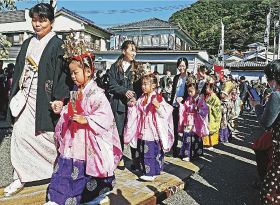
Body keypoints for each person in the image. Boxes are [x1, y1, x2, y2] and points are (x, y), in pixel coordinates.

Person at [4, 3, 70, 197]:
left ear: (51, 21)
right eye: (35, 20)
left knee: (48, 139)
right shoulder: (27, 43)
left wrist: (60, 98)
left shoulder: (57, 45)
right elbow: (18, 70)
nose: (38, 24)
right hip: (26, 96)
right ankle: (19, 176)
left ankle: (56, 171)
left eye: (43, 20)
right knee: (19, 136)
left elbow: (62, 75)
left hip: (45, 99)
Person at [45, 48, 122, 205]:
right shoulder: (75, 92)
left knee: (85, 173)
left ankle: (91, 195)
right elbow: (70, 110)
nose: (72, 76)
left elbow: (105, 117)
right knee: (65, 170)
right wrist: (62, 109)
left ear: (88, 71)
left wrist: (87, 120)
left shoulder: (97, 94)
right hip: (74, 138)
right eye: (71, 73)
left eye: (75, 72)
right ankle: (58, 197)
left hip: (88, 141)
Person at [124, 74, 174, 181]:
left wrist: (158, 107)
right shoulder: (142, 97)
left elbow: (167, 112)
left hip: (152, 129)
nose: (143, 86)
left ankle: (151, 173)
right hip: (142, 127)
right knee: (143, 150)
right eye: (142, 84)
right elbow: (136, 111)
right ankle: (146, 170)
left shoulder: (158, 97)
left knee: (151, 150)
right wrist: (132, 105)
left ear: (154, 85)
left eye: (146, 84)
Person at [107, 40, 143, 169]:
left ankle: (136, 160)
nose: (134, 53)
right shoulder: (115, 67)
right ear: (123, 51)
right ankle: (119, 157)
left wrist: (135, 97)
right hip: (119, 105)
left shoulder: (138, 67)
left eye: (135, 50)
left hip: (134, 105)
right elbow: (111, 85)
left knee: (135, 132)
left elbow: (141, 87)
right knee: (119, 132)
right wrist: (124, 91)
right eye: (131, 50)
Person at [249, 60, 280, 204]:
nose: (268, 82)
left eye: (268, 78)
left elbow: (266, 123)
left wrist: (256, 106)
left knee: (270, 190)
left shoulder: (277, 95)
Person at [178, 77, 208, 161]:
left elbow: (205, 110)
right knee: (187, 137)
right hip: (188, 121)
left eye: (191, 91)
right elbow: (184, 109)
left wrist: (198, 109)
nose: (189, 93)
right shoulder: (188, 99)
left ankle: (196, 153)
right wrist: (181, 105)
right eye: (188, 91)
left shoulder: (200, 100)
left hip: (196, 121)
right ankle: (186, 154)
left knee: (196, 138)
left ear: (196, 91)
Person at [170, 57, 189, 157]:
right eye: (180, 66)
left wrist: (183, 98)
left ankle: (186, 150)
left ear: (186, 66)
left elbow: (191, 92)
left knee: (186, 128)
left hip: (185, 107)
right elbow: (173, 92)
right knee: (174, 128)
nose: (181, 68)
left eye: (183, 66)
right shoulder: (176, 77)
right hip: (174, 105)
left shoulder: (189, 77)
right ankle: (175, 149)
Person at [202, 77, 222, 150]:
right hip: (206, 115)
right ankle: (206, 143)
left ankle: (211, 144)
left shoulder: (214, 97)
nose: (205, 89)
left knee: (211, 128)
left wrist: (209, 107)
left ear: (211, 88)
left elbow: (217, 107)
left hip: (212, 116)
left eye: (207, 88)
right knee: (206, 128)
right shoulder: (205, 96)